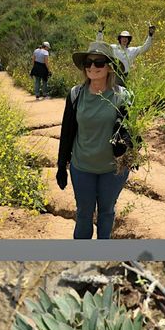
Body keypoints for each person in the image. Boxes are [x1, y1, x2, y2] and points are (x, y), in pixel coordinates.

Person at [56, 41, 134, 240]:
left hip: (113, 170)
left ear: (109, 67)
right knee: (83, 214)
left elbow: (132, 133)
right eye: (88, 63)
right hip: (82, 167)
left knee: (107, 212)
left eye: (99, 62)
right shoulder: (76, 95)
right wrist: (60, 166)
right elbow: (67, 132)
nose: (92, 67)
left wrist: (128, 145)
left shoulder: (123, 96)